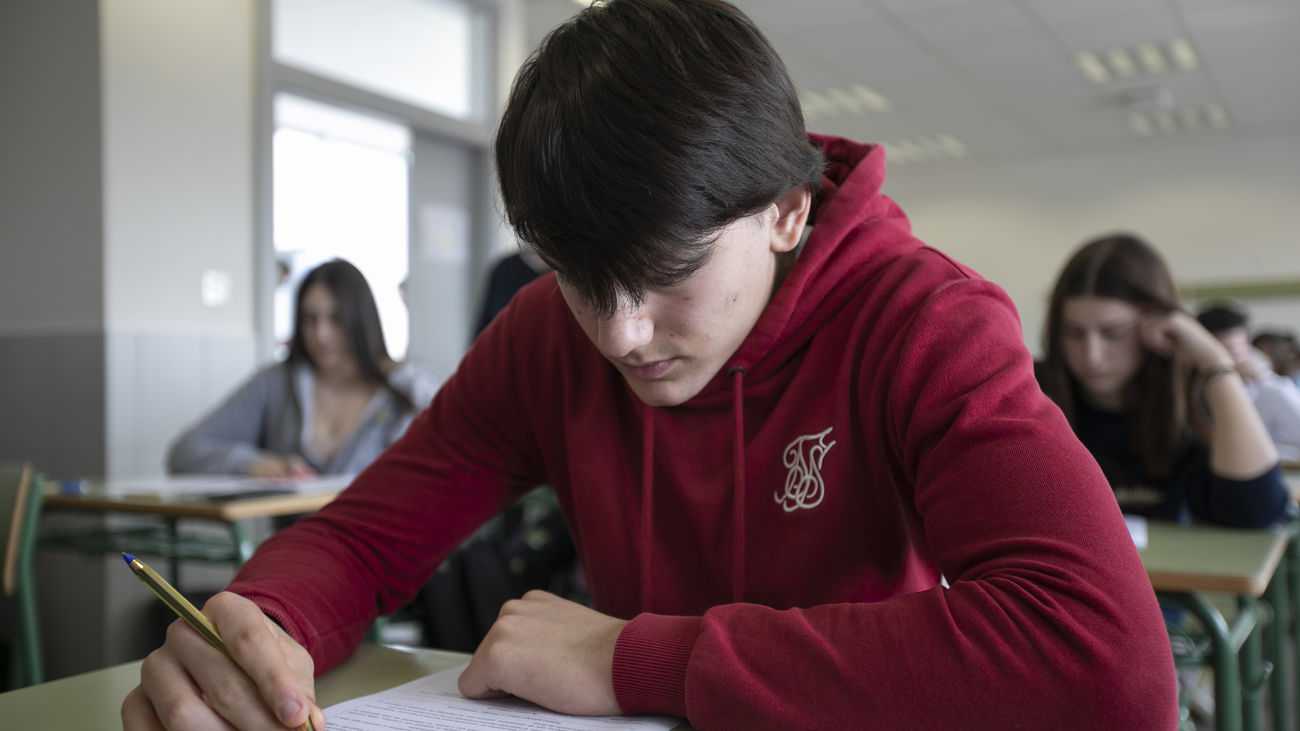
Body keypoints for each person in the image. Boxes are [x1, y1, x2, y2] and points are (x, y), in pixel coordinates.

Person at [124, 2, 1177, 729]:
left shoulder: (923, 322)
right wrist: (259, 624)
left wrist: (635, 655)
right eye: (580, 277)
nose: (620, 333)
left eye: (668, 273)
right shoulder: (548, 334)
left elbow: (1110, 665)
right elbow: (365, 535)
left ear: (785, 211)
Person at [1039, 234, 1290, 526]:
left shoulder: (1193, 393)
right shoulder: (1033, 390)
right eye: (1074, 332)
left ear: (1156, 324)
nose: (1092, 356)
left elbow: (1257, 511)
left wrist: (1215, 362)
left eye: (1114, 333)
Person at [167, 258, 440, 478]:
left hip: (386, 542)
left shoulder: (412, 387)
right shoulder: (275, 383)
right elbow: (185, 452)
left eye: (336, 319)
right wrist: (253, 464)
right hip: (296, 542)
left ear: (360, 320)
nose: (321, 334)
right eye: (309, 319)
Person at [1197, 303, 1300, 461]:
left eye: (1233, 350)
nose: (1227, 360)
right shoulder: (1194, 391)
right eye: (1219, 351)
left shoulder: (1272, 389)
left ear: (1247, 346)